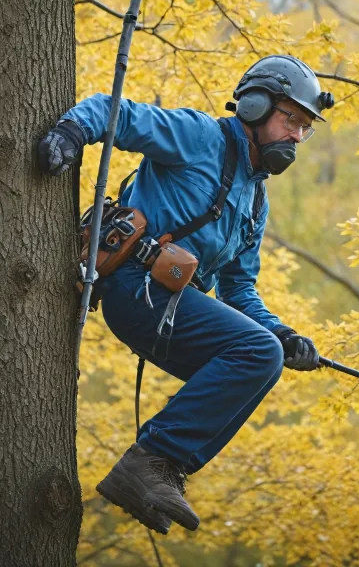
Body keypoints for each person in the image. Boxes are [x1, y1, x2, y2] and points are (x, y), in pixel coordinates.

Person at [38, 55, 334, 534]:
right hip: (134, 288)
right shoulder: (201, 138)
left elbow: (240, 290)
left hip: (171, 311)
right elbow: (118, 113)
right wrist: (72, 131)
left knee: (262, 359)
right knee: (256, 353)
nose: (298, 136)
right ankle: (152, 459)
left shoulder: (256, 202)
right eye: (291, 119)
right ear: (254, 107)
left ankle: (162, 469)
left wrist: (282, 333)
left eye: (306, 128)